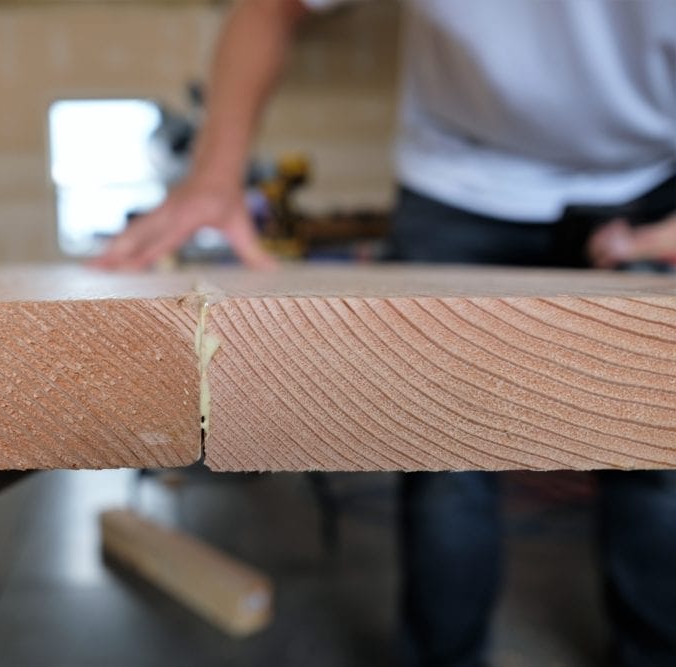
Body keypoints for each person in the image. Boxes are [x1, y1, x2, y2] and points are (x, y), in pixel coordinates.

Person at [94, 1, 676, 665]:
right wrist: (214, 173)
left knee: (656, 443)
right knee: (446, 460)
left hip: (655, 178)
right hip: (460, 179)